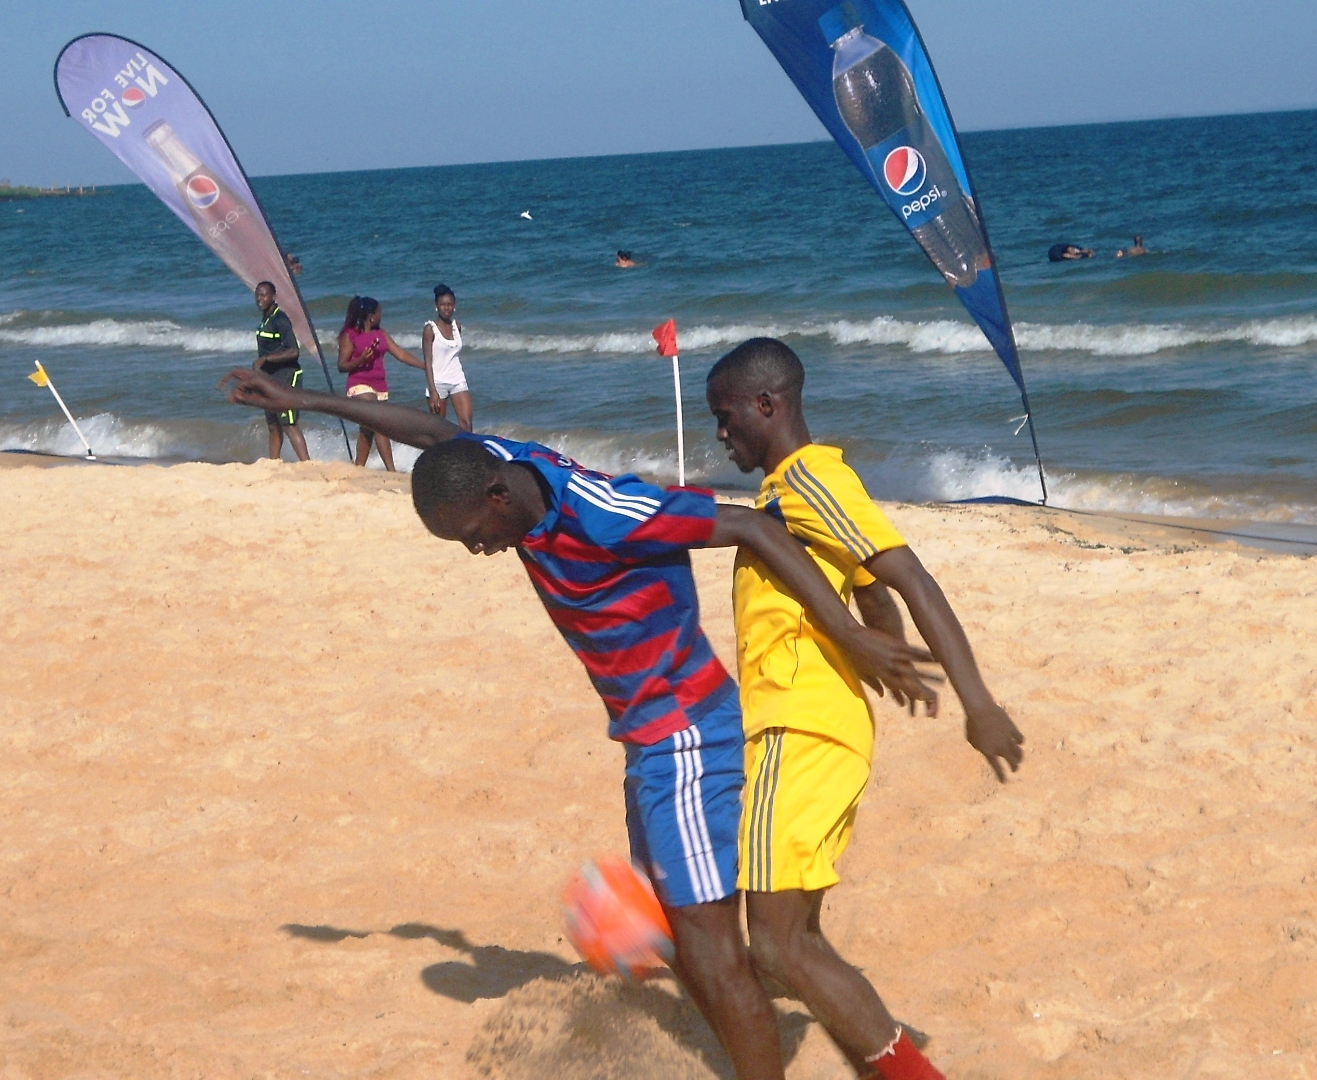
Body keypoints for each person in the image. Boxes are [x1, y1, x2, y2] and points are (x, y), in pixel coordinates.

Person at [218, 366, 936, 1080]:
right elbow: (432, 433)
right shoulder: (508, 468)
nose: (480, 550)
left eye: (477, 534)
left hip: (684, 736)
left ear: (496, 496)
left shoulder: (604, 512)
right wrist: (300, 400)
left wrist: (848, 631)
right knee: (688, 949)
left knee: (716, 957)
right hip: (646, 743)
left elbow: (748, 523)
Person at [705, 338, 1025, 1080]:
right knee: (799, 936)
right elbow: (872, 587)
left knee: (777, 944)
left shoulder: (808, 480)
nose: (721, 433)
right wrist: (882, 646)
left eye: (726, 417)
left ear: (766, 404)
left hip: (801, 725)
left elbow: (908, 574)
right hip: (813, 724)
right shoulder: (791, 490)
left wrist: (977, 703)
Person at [337, 296, 425, 471]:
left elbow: (401, 354)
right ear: (371, 316)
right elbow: (342, 366)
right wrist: (361, 359)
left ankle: (358, 467)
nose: (381, 316)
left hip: (380, 387)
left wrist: (425, 366)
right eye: (379, 313)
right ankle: (391, 470)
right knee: (380, 422)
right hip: (358, 385)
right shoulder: (351, 335)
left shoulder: (381, 334)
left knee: (367, 430)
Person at [253, 280, 309, 462]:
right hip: (269, 378)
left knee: (288, 423)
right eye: (257, 295)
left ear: (273, 297)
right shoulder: (266, 319)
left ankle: (306, 463)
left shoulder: (280, 320)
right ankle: (273, 463)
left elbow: (294, 351)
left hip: (287, 376)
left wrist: (266, 359)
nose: (259, 299)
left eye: (263, 295)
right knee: (272, 423)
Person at [422, 284, 473, 432]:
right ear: (436, 306)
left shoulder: (457, 326)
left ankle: (467, 454)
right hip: (438, 382)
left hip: (457, 379)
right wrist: (432, 391)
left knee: (466, 424)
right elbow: (428, 361)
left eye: (449, 304)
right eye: (443, 305)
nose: (447, 308)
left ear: (454, 306)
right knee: (439, 428)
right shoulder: (430, 330)